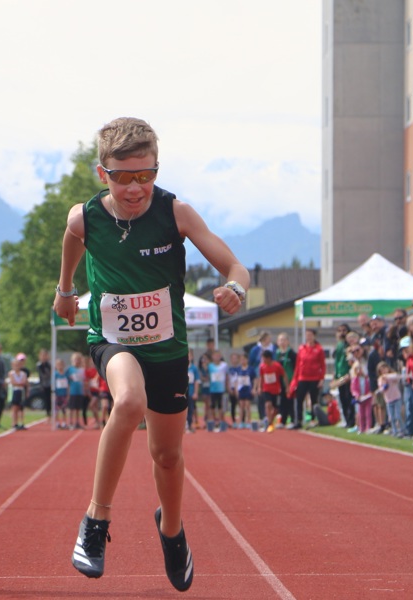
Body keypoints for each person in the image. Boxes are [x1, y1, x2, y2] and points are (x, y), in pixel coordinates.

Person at [55, 117, 249, 591]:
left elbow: (233, 264)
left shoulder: (176, 213)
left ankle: (172, 529)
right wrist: (65, 291)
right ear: (103, 174)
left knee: (166, 455)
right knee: (128, 401)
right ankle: (95, 522)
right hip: (112, 340)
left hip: (167, 349)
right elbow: (71, 244)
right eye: (124, 177)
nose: (136, 187)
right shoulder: (85, 218)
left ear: (156, 171)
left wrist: (235, 288)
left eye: (146, 175)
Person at [290, 329, 326, 430]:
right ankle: (299, 420)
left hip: (314, 378)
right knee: (299, 399)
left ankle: (313, 420)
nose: (308, 337)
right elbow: (298, 365)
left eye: (310, 335)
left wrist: (321, 378)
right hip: (302, 377)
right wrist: (295, 379)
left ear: (314, 336)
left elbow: (322, 365)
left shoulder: (319, 349)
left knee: (313, 400)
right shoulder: (302, 348)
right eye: (307, 335)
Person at [255, 349, 285, 433]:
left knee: (275, 409)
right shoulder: (262, 366)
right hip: (266, 388)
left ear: (269, 358)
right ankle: (269, 422)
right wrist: (259, 387)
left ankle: (270, 421)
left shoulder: (277, 366)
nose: (263, 360)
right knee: (268, 404)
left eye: (264, 359)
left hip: (276, 390)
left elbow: (284, 375)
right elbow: (261, 377)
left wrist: (287, 387)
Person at [8, 355, 29, 431]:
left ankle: (22, 423)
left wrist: (20, 383)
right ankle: (14, 423)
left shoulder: (23, 374)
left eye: (18, 365)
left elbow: (25, 382)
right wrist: (19, 383)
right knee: (14, 408)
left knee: (21, 408)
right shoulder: (11, 373)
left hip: (21, 391)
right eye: (15, 365)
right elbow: (13, 382)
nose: (17, 366)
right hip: (14, 392)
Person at [53, 358, 70, 430]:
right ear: (56, 366)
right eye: (58, 365)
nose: (60, 366)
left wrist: (68, 394)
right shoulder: (55, 374)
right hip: (57, 394)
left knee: (64, 409)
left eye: (61, 364)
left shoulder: (66, 374)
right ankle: (57, 423)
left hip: (64, 394)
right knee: (56, 410)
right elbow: (53, 384)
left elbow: (68, 385)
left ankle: (64, 422)